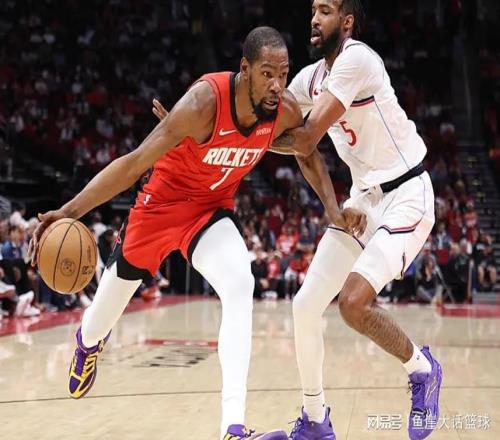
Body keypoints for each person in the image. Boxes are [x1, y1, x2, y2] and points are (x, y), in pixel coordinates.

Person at [29, 26, 365, 440]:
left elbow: (306, 150)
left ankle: (232, 427)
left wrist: (333, 209)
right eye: (267, 74)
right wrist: (67, 212)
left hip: (209, 212)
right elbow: (133, 163)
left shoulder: (282, 109)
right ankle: (88, 341)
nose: (277, 85)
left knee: (240, 283)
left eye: (283, 74)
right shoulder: (203, 102)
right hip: (158, 208)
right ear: (245, 69)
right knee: (101, 317)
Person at [271, 1, 442, 438]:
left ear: (346, 22)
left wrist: (253, 139)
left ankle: (422, 369)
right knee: (305, 306)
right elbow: (275, 122)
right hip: (364, 200)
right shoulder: (310, 79)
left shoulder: (357, 59)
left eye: (326, 11)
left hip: (407, 193)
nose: (314, 18)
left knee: (352, 303)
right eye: (313, 9)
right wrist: (215, 126)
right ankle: (314, 419)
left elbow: (304, 138)